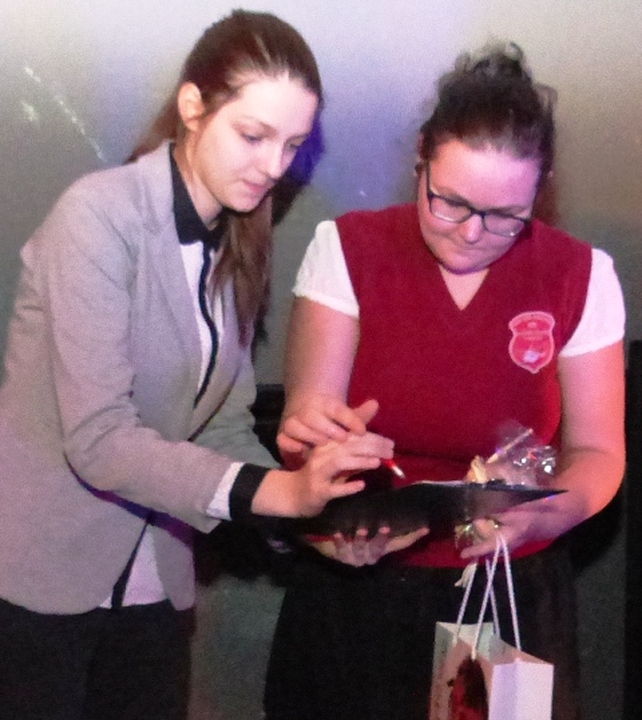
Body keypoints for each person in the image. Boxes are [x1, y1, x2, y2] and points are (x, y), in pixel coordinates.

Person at [0, 10, 394, 720]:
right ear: (192, 106)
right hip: (39, 586)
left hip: (153, 586)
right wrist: (282, 494)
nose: (273, 167)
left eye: (292, 145)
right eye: (253, 135)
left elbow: (221, 425)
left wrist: (319, 517)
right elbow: (99, 442)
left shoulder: (240, 234)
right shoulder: (97, 216)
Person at [263, 42, 625, 720]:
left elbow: (599, 452)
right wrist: (325, 465)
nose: (471, 232)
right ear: (421, 159)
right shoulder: (348, 249)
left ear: (541, 189)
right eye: (449, 203)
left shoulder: (581, 274)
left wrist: (546, 513)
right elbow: (311, 419)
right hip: (360, 590)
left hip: (508, 593)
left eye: (505, 216)